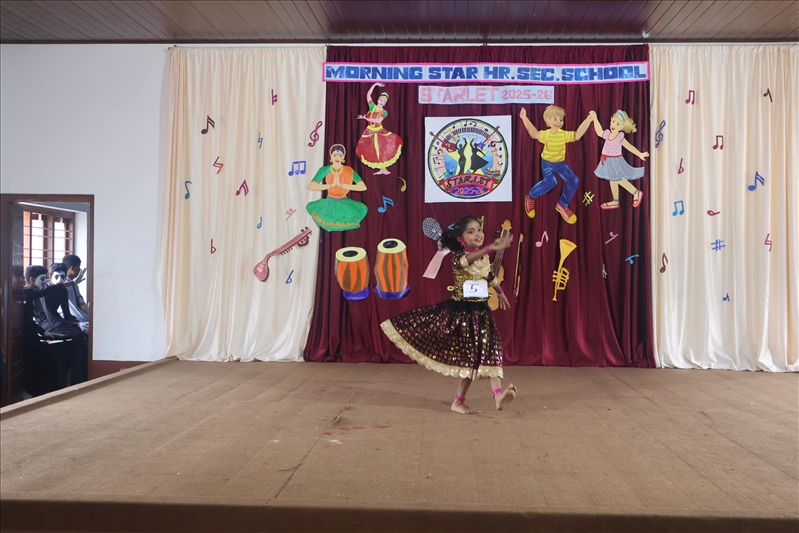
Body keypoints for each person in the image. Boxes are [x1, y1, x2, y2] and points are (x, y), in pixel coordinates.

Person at [381, 215, 517, 415]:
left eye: (479, 229)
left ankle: (493, 396)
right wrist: (490, 247)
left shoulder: (483, 257)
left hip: (482, 313)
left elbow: (488, 275)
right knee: (473, 357)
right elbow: (468, 261)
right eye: (471, 231)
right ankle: (470, 400)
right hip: (463, 314)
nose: (477, 234)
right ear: (461, 239)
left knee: (491, 350)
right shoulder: (459, 258)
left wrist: (500, 292)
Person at [519, 105, 594, 224]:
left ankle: (562, 204)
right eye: (555, 119)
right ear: (548, 121)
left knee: (574, 180)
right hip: (547, 163)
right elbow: (534, 134)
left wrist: (588, 120)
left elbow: (577, 135)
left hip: (560, 163)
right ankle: (530, 196)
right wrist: (524, 118)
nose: (559, 122)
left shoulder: (563, 134)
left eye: (561, 119)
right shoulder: (546, 134)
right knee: (551, 181)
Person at [588, 110, 649, 209]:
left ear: (622, 127)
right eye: (613, 121)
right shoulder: (608, 134)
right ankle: (615, 200)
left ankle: (635, 192)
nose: (614, 125)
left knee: (618, 179)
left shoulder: (619, 137)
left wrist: (639, 154)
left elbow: (629, 146)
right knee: (612, 180)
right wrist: (595, 119)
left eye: (617, 124)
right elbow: (599, 131)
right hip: (607, 160)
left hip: (615, 161)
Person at [306, 144, 368, 232]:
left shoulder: (349, 170)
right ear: (331, 156)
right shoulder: (325, 170)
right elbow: (311, 186)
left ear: (343, 157)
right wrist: (331, 185)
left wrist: (341, 185)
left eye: (340, 155)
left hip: (344, 203)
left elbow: (362, 187)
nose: (337, 157)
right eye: (335, 154)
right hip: (328, 203)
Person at [355, 82, 403, 175]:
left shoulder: (384, 112)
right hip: (369, 131)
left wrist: (366, 118)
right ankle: (382, 169)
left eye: (384, 101)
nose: (382, 102)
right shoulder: (372, 106)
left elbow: (378, 120)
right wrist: (375, 84)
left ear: (385, 103)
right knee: (371, 149)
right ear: (378, 100)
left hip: (379, 131)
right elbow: (368, 95)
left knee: (381, 149)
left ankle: (383, 169)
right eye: (381, 99)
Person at [57, 255, 90, 333]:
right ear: (72, 268)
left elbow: (81, 303)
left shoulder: (74, 284)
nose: (79, 270)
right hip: (72, 318)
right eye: (78, 267)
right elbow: (73, 309)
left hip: (79, 316)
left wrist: (89, 314)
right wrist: (87, 318)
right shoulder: (64, 284)